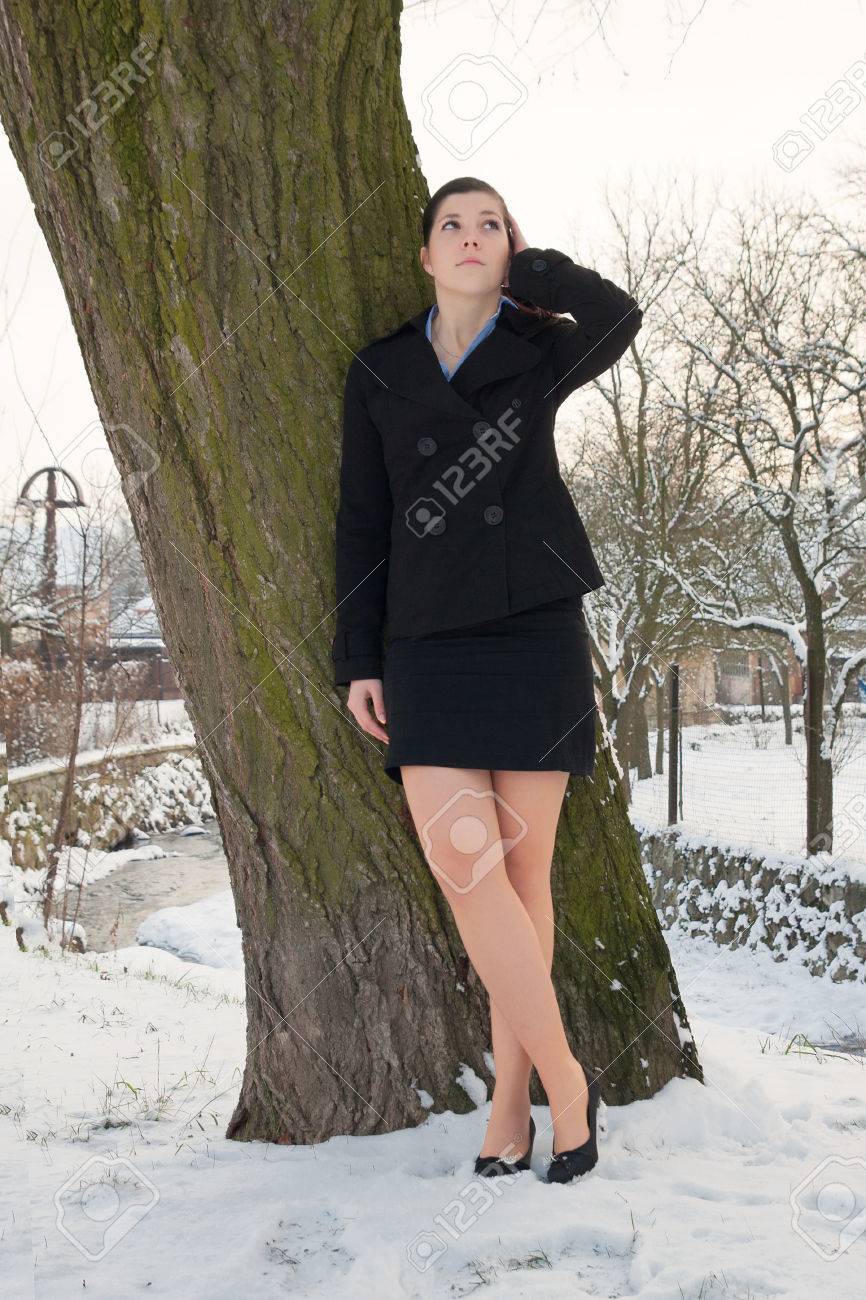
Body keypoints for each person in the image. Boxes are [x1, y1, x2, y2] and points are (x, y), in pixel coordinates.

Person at [331, 176, 642, 1183]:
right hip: (424, 644)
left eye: (489, 225)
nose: (469, 238)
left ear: (507, 246)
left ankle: (509, 1102)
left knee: (520, 878)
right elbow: (360, 526)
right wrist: (356, 660)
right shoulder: (378, 372)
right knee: (468, 872)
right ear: (423, 254)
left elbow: (619, 315)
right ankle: (565, 1081)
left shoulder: (538, 350)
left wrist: (531, 274)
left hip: (531, 630)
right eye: (451, 227)